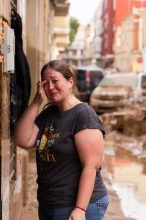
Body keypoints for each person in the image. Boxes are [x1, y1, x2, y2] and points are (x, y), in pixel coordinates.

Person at [14, 60, 108, 220]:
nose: (50, 87)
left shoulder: (83, 114)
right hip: (49, 202)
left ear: (70, 81)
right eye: (45, 83)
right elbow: (22, 140)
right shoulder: (48, 113)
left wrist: (80, 208)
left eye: (55, 81)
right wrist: (36, 101)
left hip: (78, 204)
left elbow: (91, 166)